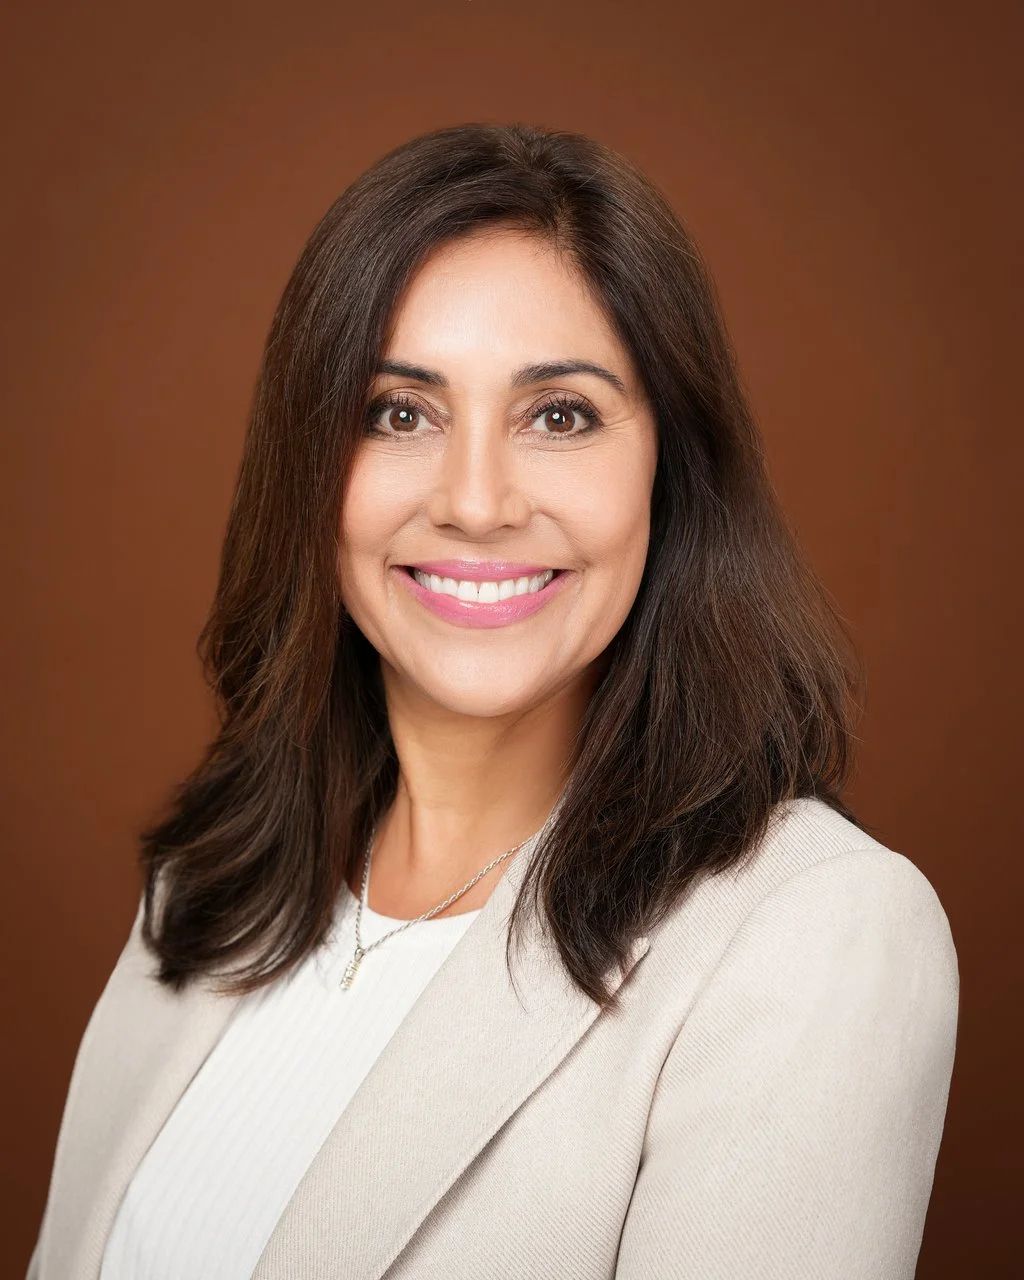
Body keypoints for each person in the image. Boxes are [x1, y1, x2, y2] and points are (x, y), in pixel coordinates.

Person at [26, 122, 959, 1280]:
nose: (475, 501)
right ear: (311, 463)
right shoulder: (209, 888)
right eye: (399, 412)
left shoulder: (814, 934)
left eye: (558, 414)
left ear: (671, 469)